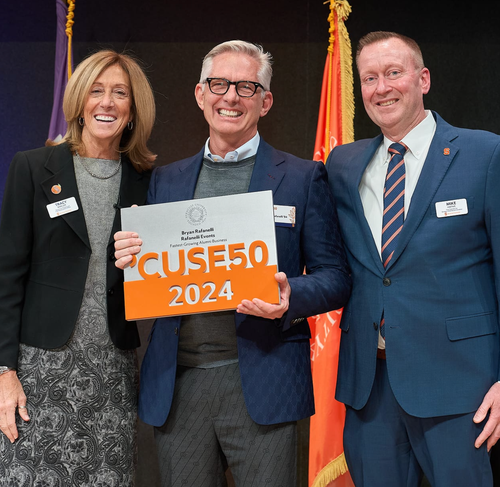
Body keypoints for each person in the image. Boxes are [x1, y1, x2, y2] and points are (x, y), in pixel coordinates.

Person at [114, 40, 351, 487]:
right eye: (219, 84)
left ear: (266, 101)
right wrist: (129, 256)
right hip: (180, 385)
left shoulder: (302, 176)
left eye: (247, 86)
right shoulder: (164, 179)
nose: (231, 97)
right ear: (200, 94)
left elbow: (336, 277)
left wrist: (290, 296)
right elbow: (149, 267)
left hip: (264, 382)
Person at [325, 30, 500, 487]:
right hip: (370, 389)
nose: (380, 87)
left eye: (393, 73)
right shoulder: (343, 165)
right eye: (368, 78)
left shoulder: (485, 153)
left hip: (461, 387)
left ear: (422, 79)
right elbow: (333, 263)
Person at [0, 49, 156, 486]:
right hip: (38, 372)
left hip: (113, 370)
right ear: (79, 102)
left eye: (119, 93)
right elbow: (6, 277)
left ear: (132, 109)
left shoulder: (149, 180)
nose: (106, 102)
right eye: (96, 90)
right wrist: (3, 373)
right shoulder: (32, 168)